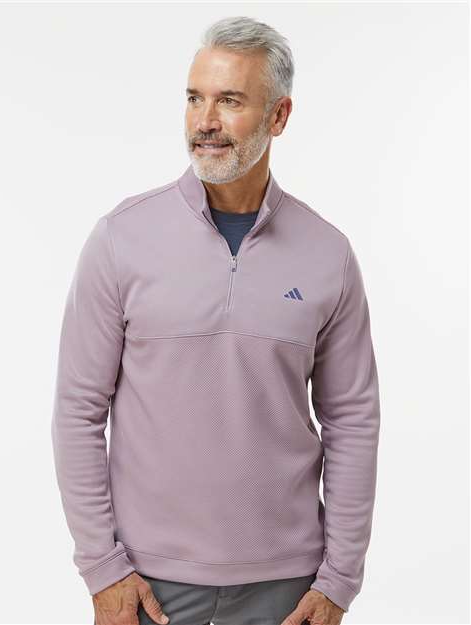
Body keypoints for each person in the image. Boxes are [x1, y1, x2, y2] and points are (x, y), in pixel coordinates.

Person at [51, 15, 381, 625]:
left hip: (288, 590)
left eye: (229, 101)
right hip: (147, 586)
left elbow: (353, 420)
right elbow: (78, 409)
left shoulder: (327, 253)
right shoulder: (121, 238)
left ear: (279, 116)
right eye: (194, 98)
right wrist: (102, 567)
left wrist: (339, 581)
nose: (204, 121)